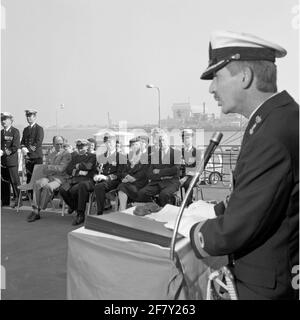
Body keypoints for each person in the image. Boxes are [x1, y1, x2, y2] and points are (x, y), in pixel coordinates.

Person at [189, 31, 299, 300]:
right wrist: (218, 209)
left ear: (245, 77)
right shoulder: (282, 118)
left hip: (266, 285)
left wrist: (193, 231)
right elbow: (266, 197)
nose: (212, 88)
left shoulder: (270, 135)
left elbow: (234, 231)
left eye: (217, 77)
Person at [26, 135, 72, 222]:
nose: (60, 146)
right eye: (57, 144)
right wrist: (53, 168)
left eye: (61, 144)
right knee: (37, 183)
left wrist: (50, 167)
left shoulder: (67, 154)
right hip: (49, 177)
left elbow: (62, 169)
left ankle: (38, 210)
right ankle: (35, 209)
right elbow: (44, 170)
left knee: (48, 187)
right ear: (53, 144)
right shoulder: (51, 155)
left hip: (60, 179)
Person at [137, 130, 181, 206]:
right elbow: (149, 173)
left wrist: (159, 172)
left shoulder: (176, 153)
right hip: (157, 182)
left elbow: (175, 169)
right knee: (141, 193)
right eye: (160, 141)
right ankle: (154, 206)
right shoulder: (155, 155)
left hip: (171, 182)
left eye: (163, 140)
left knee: (164, 194)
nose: (162, 143)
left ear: (168, 141)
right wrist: (161, 177)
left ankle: (166, 211)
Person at [59, 139, 97, 225]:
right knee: (62, 189)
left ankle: (80, 214)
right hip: (75, 179)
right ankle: (73, 206)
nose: (80, 149)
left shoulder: (92, 156)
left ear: (87, 147)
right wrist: (79, 171)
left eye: (82, 147)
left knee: (75, 189)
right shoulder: (74, 156)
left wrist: (77, 166)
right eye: (78, 147)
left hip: (87, 180)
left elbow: (88, 166)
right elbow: (69, 170)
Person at [93, 133, 126, 215]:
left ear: (115, 143)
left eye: (111, 142)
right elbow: (95, 170)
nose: (109, 144)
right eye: (107, 142)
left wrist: (107, 177)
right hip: (100, 180)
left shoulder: (121, 157)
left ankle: (99, 212)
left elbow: (121, 173)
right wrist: (95, 176)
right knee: (86, 185)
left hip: (113, 181)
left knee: (99, 187)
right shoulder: (101, 156)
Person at [118, 137, 148, 211]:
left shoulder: (145, 157)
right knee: (122, 186)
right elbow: (123, 171)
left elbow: (144, 172)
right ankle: (123, 210)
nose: (135, 146)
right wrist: (127, 177)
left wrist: (131, 179)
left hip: (140, 182)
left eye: (136, 144)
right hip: (128, 182)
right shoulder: (128, 157)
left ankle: (122, 210)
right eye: (133, 145)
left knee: (123, 186)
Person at [1, 112, 21, 208]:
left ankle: (19, 200)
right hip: (3, 161)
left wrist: (4, 152)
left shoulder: (15, 131)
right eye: (2, 119)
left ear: (10, 120)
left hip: (11, 161)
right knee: (4, 182)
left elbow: (15, 147)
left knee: (15, 181)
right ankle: (5, 201)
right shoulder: (1, 132)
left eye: (5, 119)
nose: (3, 121)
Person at [20, 109, 44, 185]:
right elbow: (22, 142)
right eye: (27, 116)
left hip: (36, 157)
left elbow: (38, 143)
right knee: (29, 177)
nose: (28, 118)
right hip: (28, 157)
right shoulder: (25, 129)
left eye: (30, 116)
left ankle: (37, 197)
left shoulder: (39, 129)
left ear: (35, 117)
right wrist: (23, 147)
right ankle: (29, 196)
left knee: (37, 178)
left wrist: (28, 150)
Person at [180, 129, 199, 206]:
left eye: (188, 137)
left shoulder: (196, 151)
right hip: (182, 175)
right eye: (184, 138)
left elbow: (196, 168)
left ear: (192, 138)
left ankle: (188, 203)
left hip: (193, 175)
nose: (186, 140)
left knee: (187, 183)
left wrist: (185, 177)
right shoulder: (180, 151)